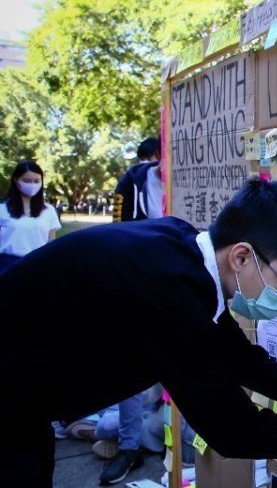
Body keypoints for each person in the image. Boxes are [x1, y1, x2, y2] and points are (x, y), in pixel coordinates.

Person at [0, 178, 277, 487]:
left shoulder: (183, 253)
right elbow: (235, 432)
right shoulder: (169, 289)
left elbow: (236, 354)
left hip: (23, 404)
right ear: (242, 256)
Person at [98, 136, 167, 485]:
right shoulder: (134, 182)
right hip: (140, 285)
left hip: (180, 289)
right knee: (128, 368)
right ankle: (127, 446)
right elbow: (118, 233)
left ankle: (114, 432)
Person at [0, 159, 61, 274]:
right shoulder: (2, 209)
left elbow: (51, 245)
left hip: (38, 265)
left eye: (36, 181)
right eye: (27, 181)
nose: (32, 185)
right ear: (16, 181)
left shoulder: (48, 211)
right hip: (6, 266)